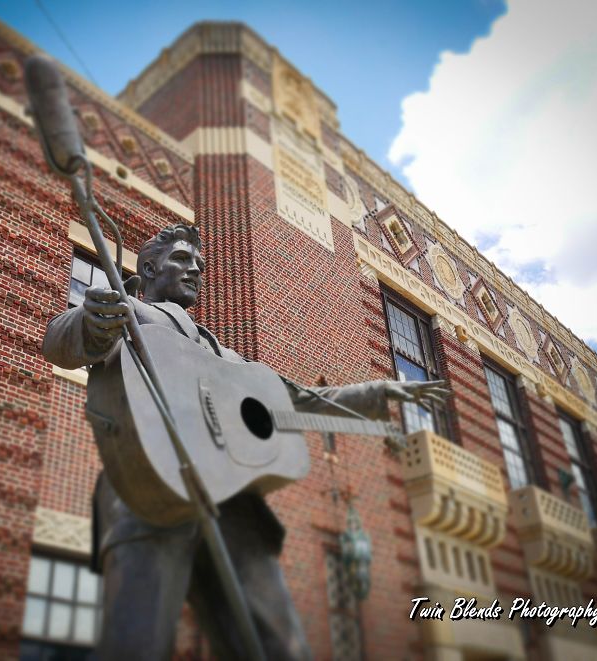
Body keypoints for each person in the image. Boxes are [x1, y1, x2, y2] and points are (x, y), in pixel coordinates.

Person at [43, 224, 447, 660]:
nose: (196, 268)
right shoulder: (130, 317)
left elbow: (294, 397)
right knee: (135, 648)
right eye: (182, 258)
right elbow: (60, 339)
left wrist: (375, 393)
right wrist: (92, 322)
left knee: (282, 647)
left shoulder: (223, 355)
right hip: (149, 495)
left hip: (231, 508)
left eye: (199, 262)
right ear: (148, 268)